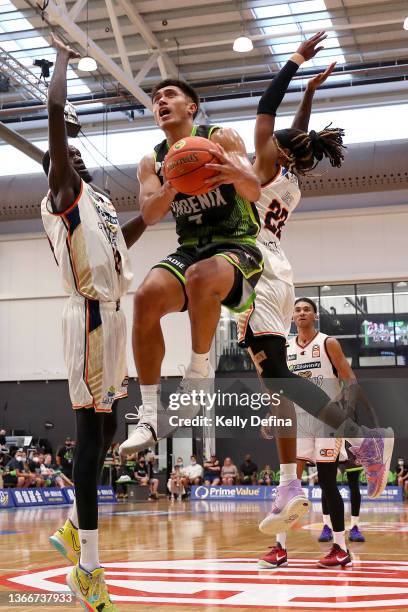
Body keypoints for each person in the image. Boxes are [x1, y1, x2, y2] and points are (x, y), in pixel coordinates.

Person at [236, 34, 393, 535]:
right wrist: (308, 95)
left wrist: (297, 62)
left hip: (257, 268)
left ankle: (355, 441)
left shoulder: (264, 165)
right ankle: (290, 482)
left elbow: (266, 104)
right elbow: (293, 133)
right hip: (280, 271)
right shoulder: (293, 178)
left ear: (276, 147)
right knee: (274, 377)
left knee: (275, 376)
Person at [43, 35, 145, 611]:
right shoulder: (61, 191)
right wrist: (61, 58)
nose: (77, 160)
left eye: (78, 159)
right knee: (89, 435)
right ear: (56, 168)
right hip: (85, 317)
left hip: (113, 318)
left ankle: (67, 526)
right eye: (67, 157)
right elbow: (56, 115)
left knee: (107, 432)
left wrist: (156, 207)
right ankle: (87, 566)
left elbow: (121, 240)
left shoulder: (98, 208)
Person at [119, 76, 263, 455]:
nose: (160, 102)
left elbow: (254, 190)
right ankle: (149, 414)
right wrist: (173, 183)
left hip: (238, 245)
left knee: (201, 276)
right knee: (146, 296)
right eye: (155, 99)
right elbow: (149, 215)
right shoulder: (152, 160)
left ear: (191, 107)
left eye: (169, 95)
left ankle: (198, 374)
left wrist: (234, 172)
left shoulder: (222, 137)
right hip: (191, 247)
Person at [260, 297, 358, 569]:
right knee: (287, 485)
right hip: (298, 423)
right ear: (292, 317)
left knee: (328, 485)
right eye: (298, 310)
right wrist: (272, 414)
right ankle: (279, 548)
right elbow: (279, 388)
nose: (301, 313)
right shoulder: (285, 347)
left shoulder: (328, 343)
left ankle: (340, 547)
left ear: (315, 316)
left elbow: (349, 378)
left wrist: (347, 410)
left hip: (326, 421)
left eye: (306, 309)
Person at [319, 441, 365, 543]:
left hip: (349, 443)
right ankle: (327, 526)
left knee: (354, 485)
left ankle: (354, 526)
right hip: (332, 442)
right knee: (327, 484)